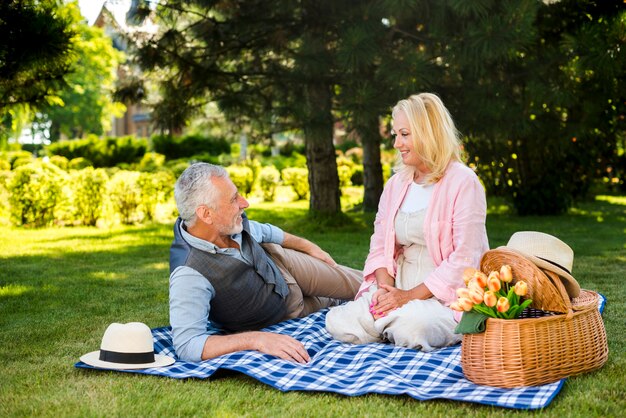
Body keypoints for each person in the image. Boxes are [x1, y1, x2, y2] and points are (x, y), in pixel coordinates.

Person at [325, 93, 489, 351]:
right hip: (397, 285)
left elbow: (465, 259)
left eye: (404, 134)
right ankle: (388, 322)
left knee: (413, 326)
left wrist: (408, 298)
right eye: (395, 134)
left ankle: (391, 326)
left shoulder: (464, 182)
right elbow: (380, 245)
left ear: (428, 133)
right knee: (337, 321)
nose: (396, 143)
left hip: (443, 296)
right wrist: (385, 291)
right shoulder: (395, 185)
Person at [169, 162, 362, 363]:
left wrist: (309, 246)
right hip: (285, 311)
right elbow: (187, 345)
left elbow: (268, 232)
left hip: (284, 264)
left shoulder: (230, 223)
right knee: (351, 303)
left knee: (366, 284)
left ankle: (398, 288)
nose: (244, 203)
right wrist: (256, 339)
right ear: (206, 214)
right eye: (234, 199)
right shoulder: (188, 273)